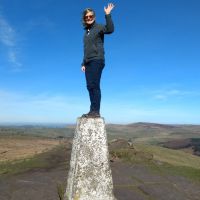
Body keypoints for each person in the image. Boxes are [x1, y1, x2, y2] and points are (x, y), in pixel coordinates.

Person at [81, 3, 115, 118]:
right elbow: (86, 49)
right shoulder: (86, 33)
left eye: (90, 16)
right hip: (88, 62)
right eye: (86, 17)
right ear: (84, 19)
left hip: (97, 60)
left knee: (94, 85)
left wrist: (108, 15)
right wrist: (83, 63)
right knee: (89, 86)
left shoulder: (99, 27)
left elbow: (110, 29)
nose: (89, 18)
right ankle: (92, 110)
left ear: (94, 17)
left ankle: (96, 111)